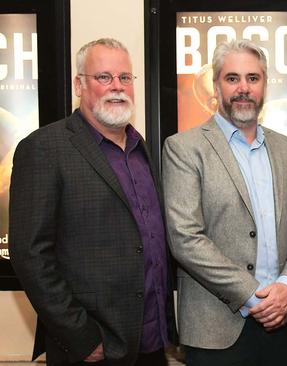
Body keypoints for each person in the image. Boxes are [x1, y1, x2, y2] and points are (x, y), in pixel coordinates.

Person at [9, 38, 176, 366]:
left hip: (152, 343)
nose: (117, 87)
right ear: (78, 85)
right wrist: (81, 338)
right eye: (104, 77)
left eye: (125, 78)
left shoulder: (142, 149)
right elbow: (30, 254)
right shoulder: (45, 148)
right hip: (93, 349)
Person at [162, 39, 287, 366]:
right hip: (216, 331)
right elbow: (185, 238)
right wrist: (252, 295)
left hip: (284, 326)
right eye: (232, 78)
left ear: (264, 85)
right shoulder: (183, 149)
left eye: (253, 78)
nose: (243, 88)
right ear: (217, 85)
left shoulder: (286, 148)